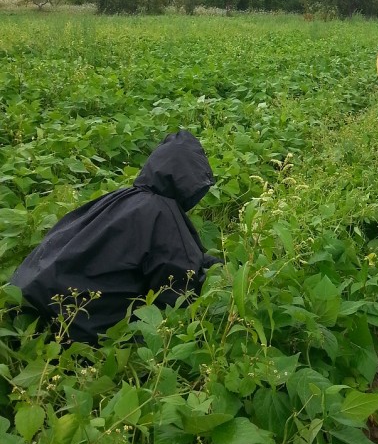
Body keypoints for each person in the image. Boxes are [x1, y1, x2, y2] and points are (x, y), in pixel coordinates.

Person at [9, 130, 221, 343]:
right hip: (72, 327)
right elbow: (178, 286)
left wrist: (211, 261)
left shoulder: (124, 198)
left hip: (29, 298)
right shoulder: (162, 214)